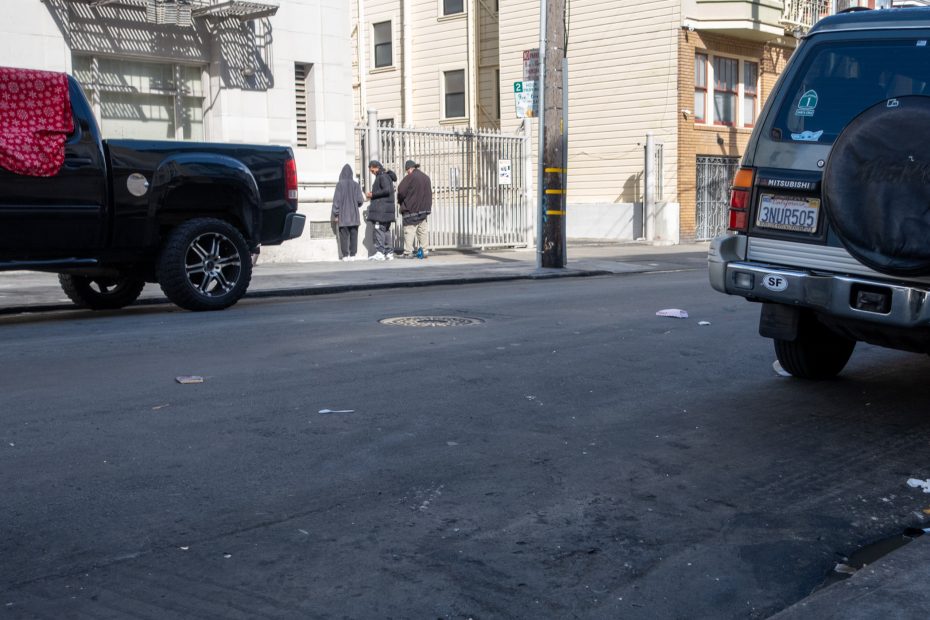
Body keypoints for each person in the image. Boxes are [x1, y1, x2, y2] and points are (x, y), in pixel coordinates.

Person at [396, 159, 432, 258]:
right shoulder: (426, 177)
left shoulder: (410, 177)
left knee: (409, 230)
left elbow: (401, 191)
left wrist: (400, 201)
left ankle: (408, 252)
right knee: (422, 231)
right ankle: (424, 251)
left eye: (407, 170)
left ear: (410, 169)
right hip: (424, 210)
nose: (407, 172)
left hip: (411, 209)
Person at [365, 160, 397, 260]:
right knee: (386, 231)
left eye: (372, 170)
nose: (372, 173)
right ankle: (389, 252)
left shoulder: (382, 176)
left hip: (381, 210)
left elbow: (386, 190)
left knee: (379, 230)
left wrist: (372, 194)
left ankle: (380, 252)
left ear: (376, 167)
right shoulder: (386, 176)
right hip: (386, 210)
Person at [331, 164, 364, 261]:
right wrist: (355, 204)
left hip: (343, 216)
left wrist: (336, 214)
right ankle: (353, 255)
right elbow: (360, 200)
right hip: (354, 216)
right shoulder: (356, 185)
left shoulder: (339, 184)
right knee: (354, 235)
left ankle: (345, 255)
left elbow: (336, 201)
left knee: (343, 236)